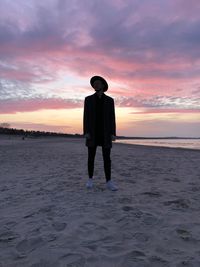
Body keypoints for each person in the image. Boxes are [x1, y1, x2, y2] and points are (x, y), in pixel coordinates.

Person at [83, 75, 118, 191]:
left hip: (105, 133)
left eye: (98, 83)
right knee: (91, 157)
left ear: (103, 85)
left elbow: (112, 118)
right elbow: (86, 117)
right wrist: (86, 132)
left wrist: (113, 133)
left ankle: (109, 181)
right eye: (94, 83)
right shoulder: (88, 99)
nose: (95, 85)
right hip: (92, 133)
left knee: (107, 158)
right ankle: (90, 179)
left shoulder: (110, 100)